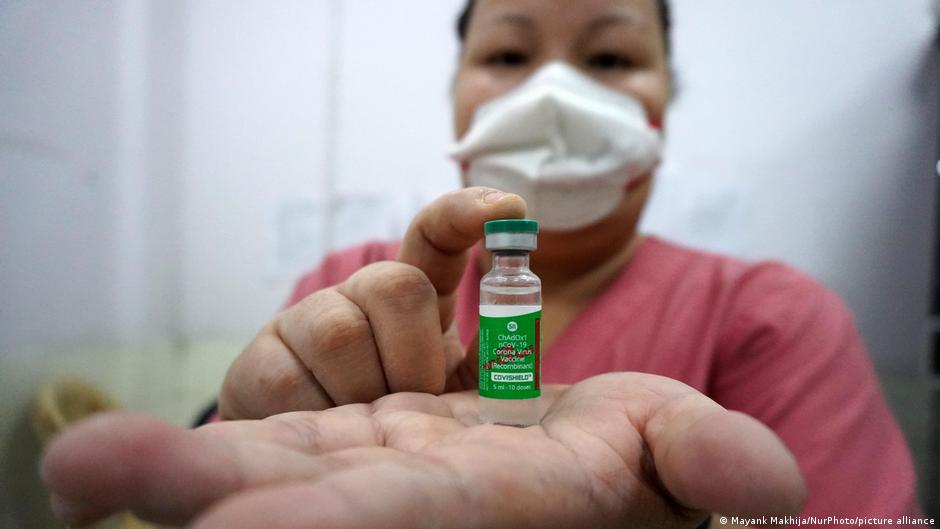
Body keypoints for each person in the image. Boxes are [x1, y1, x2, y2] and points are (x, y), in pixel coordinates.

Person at [40, 1, 921, 528]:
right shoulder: (353, 283)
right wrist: (241, 412)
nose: (554, 98)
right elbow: (240, 469)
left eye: (611, 58)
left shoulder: (770, 315)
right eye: (506, 55)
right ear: (456, 100)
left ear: (663, 113)